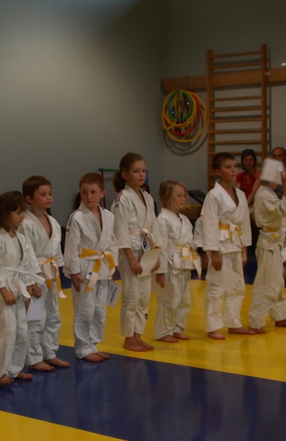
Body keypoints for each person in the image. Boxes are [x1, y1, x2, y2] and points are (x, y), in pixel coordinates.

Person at [0, 191, 37, 385]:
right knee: (6, 331)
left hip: (18, 286)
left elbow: (27, 264)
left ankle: (15, 369)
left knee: (21, 331)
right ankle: (1, 372)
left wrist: (29, 286)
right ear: (5, 214)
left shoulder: (21, 237)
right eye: (18, 212)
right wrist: (3, 290)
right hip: (4, 288)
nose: (22, 216)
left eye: (23, 211)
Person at [64, 173, 115, 363]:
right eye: (84, 192)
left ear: (102, 193)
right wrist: (74, 271)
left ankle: (93, 344)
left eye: (93, 192)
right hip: (84, 269)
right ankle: (82, 348)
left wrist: (112, 266)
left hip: (102, 267)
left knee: (100, 310)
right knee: (85, 310)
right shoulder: (77, 217)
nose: (89, 196)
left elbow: (112, 242)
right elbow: (71, 245)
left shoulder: (108, 216)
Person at [199, 152, 250, 340]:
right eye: (228, 167)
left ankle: (234, 323)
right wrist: (214, 254)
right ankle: (213, 326)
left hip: (236, 244)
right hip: (220, 245)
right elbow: (210, 225)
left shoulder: (241, 194)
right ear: (218, 172)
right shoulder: (214, 195)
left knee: (237, 286)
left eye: (235, 166)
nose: (233, 170)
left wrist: (244, 248)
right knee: (217, 287)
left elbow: (244, 223)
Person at [20, 176, 69, 372]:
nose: (48, 197)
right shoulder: (26, 223)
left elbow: (57, 252)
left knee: (53, 315)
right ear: (29, 198)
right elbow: (25, 255)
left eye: (50, 193)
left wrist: (59, 272)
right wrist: (30, 281)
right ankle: (33, 357)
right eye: (43, 194)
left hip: (52, 273)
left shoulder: (53, 222)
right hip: (36, 275)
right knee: (35, 317)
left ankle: (50, 352)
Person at [113, 152, 160, 352]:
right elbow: (120, 230)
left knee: (144, 296)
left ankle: (138, 335)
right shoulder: (122, 199)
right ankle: (128, 338)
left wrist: (156, 255)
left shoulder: (147, 197)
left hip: (146, 249)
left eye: (143, 171)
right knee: (132, 296)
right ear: (125, 174)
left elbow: (154, 226)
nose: (141, 175)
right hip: (130, 251)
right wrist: (131, 259)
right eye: (136, 171)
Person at [246, 159, 286, 334]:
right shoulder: (264, 194)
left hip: (275, 243)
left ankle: (280, 316)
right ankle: (255, 322)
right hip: (268, 243)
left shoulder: (268, 193)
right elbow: (285, 210)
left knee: (277, 282)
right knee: (266, 283)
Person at [155, 180, 196, 344]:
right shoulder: (162, 219)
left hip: (184, 261)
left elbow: (190, 242)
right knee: (168, 298)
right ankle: (163, 330)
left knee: (184, 298)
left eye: (184, 195)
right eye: (178, 196)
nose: (183, 199)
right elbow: (161, 246)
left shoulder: (184, 219)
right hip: (169, 263)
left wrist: (195, 260)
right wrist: (160, 271)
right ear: (167, 198)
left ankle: (177, 327)